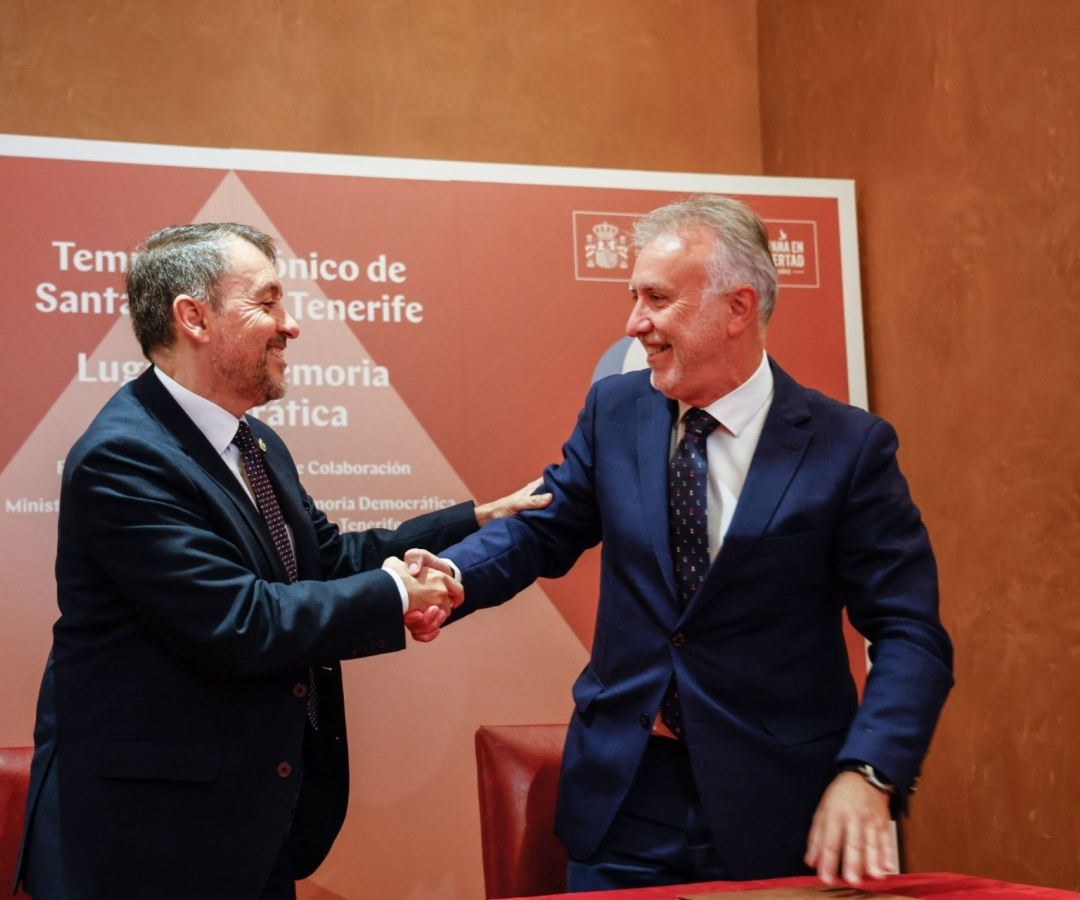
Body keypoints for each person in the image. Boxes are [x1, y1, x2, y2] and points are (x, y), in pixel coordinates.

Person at [405, 195, 953, 891]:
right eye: (634, 297)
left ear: (737, 307)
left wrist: (870, 771)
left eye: (657, 299)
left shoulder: (848, 448)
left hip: (778, 806)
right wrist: (452, 575)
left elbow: (909, 632)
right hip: (624, 797)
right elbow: (543, 527)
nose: (635, 323)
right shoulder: (616, 411)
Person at [14, 222, 547, 900]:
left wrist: (470, 522)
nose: (289, 325)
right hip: (150, 840)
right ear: (193, 318)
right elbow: (238, 620)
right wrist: (395, 593)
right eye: (267, 302)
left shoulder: (254, 443)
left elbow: (322, 560)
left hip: (244, 824)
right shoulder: (125, 456)